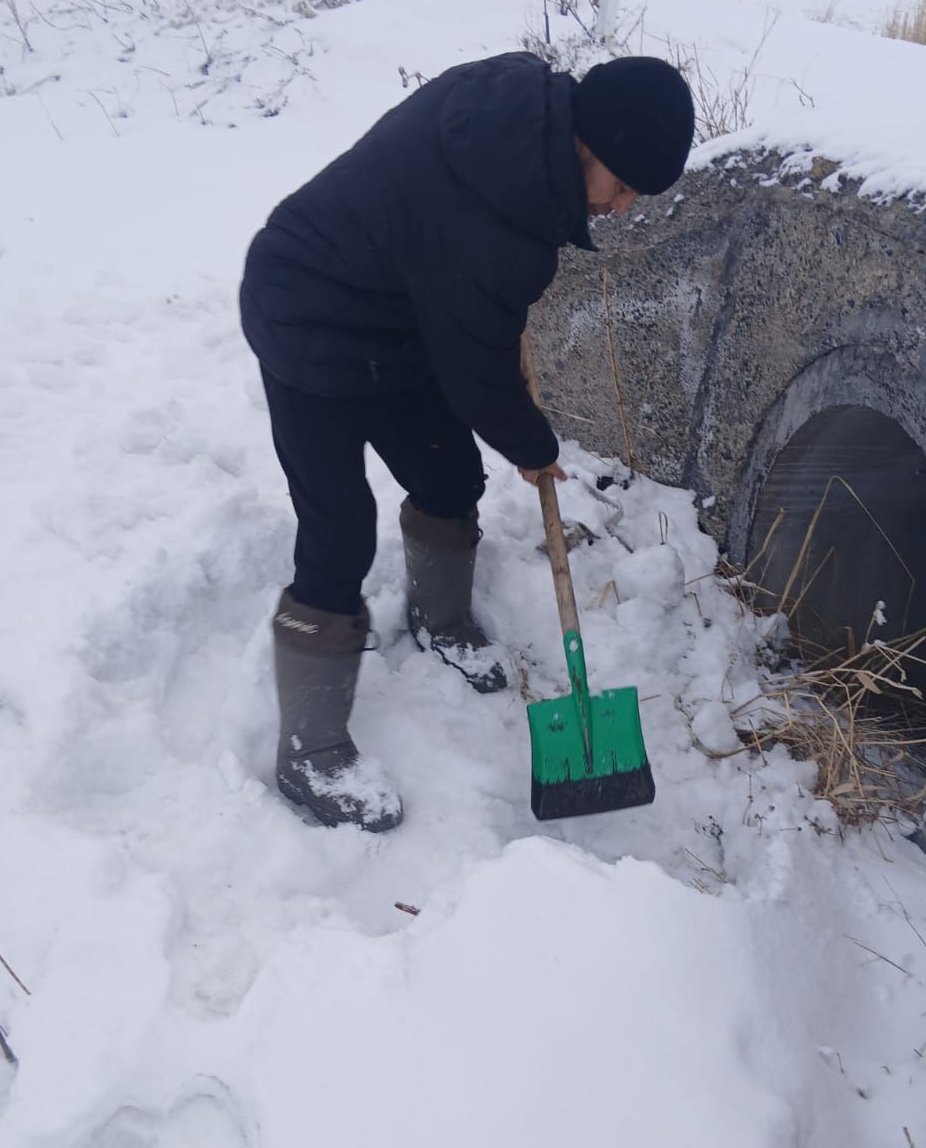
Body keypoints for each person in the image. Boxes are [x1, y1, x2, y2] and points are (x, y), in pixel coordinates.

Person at [240, 50, 695, 832]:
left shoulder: (521, 122)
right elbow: (474, 366)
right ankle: (310, 753)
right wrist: (530, 442)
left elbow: (462, 316)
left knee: (448, 476)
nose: (622, 210)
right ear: (588, 144)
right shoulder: (497, 220)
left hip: (393, 318)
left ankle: (440, 618)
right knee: (339, 532)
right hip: (306, 310)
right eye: (623, 189)